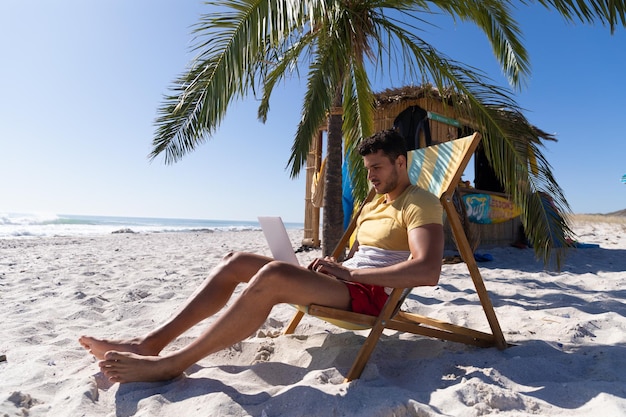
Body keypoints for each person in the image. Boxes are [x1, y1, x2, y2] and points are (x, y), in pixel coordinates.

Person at [79, 128, 444, 383]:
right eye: (367, 171)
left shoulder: (420, 202)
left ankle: (174, 363)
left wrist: (352, 276)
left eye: (377, 168)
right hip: (348, 283)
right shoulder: (375, 203)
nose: (371, 178)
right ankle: (150, 344)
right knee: (235, 260)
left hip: (372, 297)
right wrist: (335, 269)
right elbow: (365, 256)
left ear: (401, 162)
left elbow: (427, 270)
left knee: (270, 277)